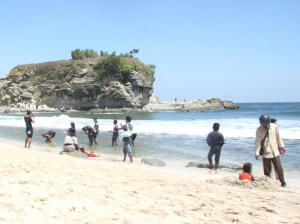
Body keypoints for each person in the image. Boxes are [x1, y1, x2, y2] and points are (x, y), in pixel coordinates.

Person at [255, 114, 287, 187]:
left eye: (264, 123)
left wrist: (282, 147)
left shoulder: (274, 127)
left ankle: (283, 182)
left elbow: (278, 137)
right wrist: (257, 152)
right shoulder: (259, 130)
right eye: (262, 123)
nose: (263, 125)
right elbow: (257, 142)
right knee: (267, 170)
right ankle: (268, 183)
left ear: (268, 122)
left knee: (279, 168)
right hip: (266, 152)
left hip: (275, 151)